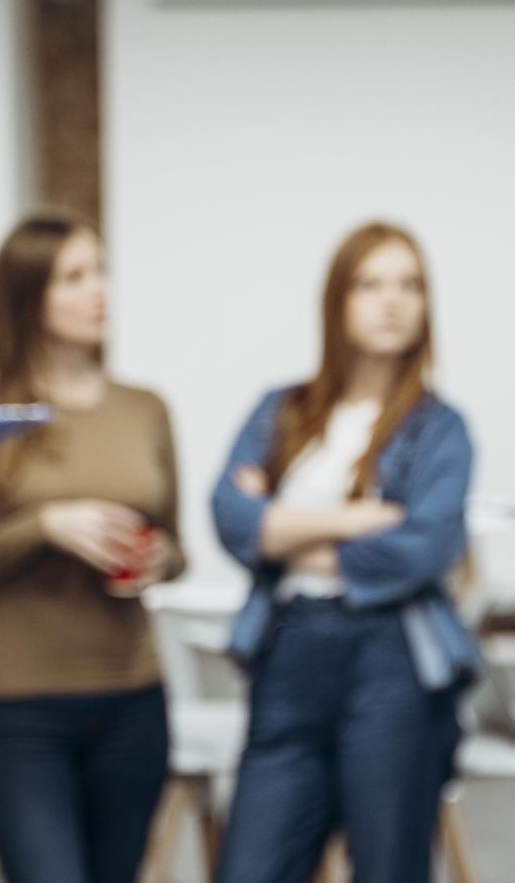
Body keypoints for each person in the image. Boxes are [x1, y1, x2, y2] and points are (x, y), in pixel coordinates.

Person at [212, 221, 476, 883]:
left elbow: (424, 548)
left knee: (388, 868)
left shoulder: (440, 428)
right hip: (287, 655)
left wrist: (287, 530)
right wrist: (360, 518)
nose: (392, 300)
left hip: (392, 664)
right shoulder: (281, 411)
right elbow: (231, 518)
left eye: (409, 285)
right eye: (370, 284)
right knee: (249, 867)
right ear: (337, 301)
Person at [0, 210, 185, 883]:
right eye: (74, 277)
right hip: (14, 707)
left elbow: (176, 544)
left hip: (132, 696)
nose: (99, 290)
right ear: (28, 296)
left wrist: (161, 558)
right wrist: (45, 526)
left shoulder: (145, 408)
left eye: (99, 272)